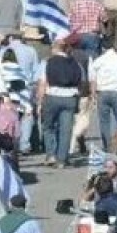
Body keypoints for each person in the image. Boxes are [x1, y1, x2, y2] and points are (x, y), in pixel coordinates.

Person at [37, 38, 85, 168]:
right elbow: (81, 82)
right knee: (66, 130)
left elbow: (42, 83)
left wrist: (40, 101)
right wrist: (78, 97)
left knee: (49, 127)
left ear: (55, 48)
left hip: (52, 96)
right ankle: (62, 160)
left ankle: (51, 154)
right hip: (70, 97)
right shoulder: (75, 63)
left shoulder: (47, 62)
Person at [90, 42, 117, 150]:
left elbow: (93, 80)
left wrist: (93, 95)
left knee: (104, 121)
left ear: (103, 48)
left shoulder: (97, 61)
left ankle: (107, 145)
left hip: (102, 92)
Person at [68, 0, 105, 66]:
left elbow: (69, 19)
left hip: (78, 35)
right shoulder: (96, 3)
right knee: (93, 61)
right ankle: (92, 77)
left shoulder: (73, 4)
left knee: (78, 61)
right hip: (93, 34)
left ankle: (83, 76)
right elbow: (104, 18)